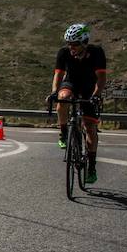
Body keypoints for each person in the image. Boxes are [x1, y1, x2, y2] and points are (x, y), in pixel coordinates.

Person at [48, 23, 107, 184]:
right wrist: (54, 92)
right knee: (63, 97)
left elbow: (101, 78)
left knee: (90, 128)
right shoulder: (64, 53)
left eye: (75, 44)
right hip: (71, 83)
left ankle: (92, 167)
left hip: (89, 87)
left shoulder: (96, 53)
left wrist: (96, 95)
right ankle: (64, 133)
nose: (71, 47)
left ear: (85, 42)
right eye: (69, 43)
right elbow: (58, 75)